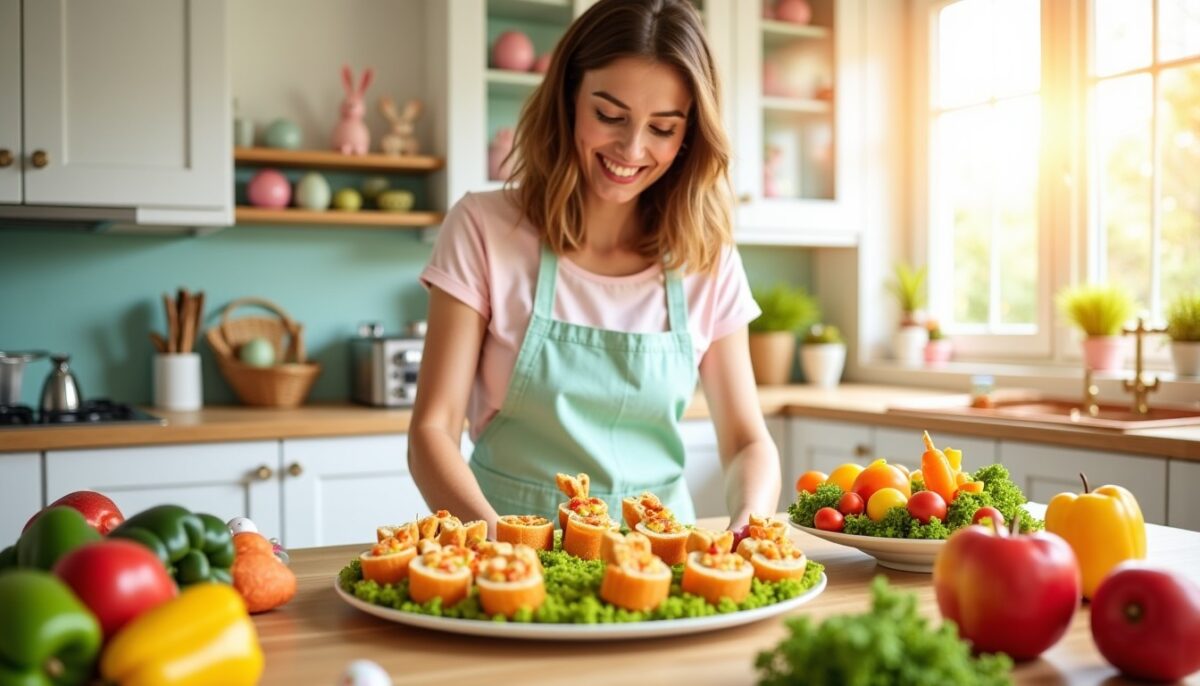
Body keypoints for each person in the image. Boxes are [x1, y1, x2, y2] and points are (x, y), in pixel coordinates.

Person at [410, 0, 780, 533]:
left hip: (659, 558)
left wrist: (751, 521)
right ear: (567, 99)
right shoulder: (482, 228)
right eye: (609, 115)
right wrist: (499, 542)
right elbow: (432, 431)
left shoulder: (707, 256)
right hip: (503, 541)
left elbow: (747, 441)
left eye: (663, 128)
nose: (631, 148)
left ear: (689, 136)